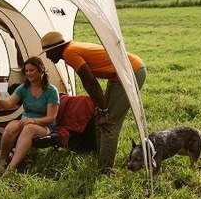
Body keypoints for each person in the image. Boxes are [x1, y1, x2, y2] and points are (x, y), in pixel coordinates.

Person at [42, 31, 146, 174]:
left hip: (131, 72)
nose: (47, 56)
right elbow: (89, 83)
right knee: (99, 120)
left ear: (56, 48)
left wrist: (104, 110)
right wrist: (99, 109)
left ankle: (105, 171)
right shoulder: (70, 49)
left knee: (110, 124)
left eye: (48, 52)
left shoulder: (69, 52)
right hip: (118, 76)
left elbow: (90, 81)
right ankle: (102, 159)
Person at [0, 56, 59, 176]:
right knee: (11, 127)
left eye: (32, 70)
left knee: (29, 128)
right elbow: (8, 104)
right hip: (26, 121)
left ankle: (10, 169)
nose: (28, 73)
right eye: (26, 71)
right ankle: (2, 161)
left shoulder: (51, 91)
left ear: (40, 71)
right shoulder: (23, 88)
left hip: (44, 125)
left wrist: (32, 120)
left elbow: (51, 118)